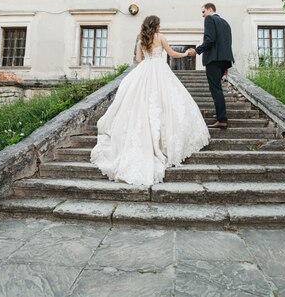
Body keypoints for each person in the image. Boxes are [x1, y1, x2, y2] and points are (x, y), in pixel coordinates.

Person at [90, 15, 211, 186]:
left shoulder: (141, 39)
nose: (161, 26)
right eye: (160, 24)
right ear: (156, 25)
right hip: (160, 69)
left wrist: (149, 59)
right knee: (166, 102)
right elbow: (171, 54)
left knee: (142, 101)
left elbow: (138, 60)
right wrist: (186, 52)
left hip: (145, 70)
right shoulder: (160, 37)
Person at [186, 3, 234, 129]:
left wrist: (196, 51)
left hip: (213, 59)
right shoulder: (226, 23)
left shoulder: (209, 19)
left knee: (215, 89)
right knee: (218, 89)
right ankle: (221, 116)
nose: (203, 15)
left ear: (210, 9)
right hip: (224, 59)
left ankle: (222, 119)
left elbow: (210, 39)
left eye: (203, 12)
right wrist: (226, 65)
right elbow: (228, 43)